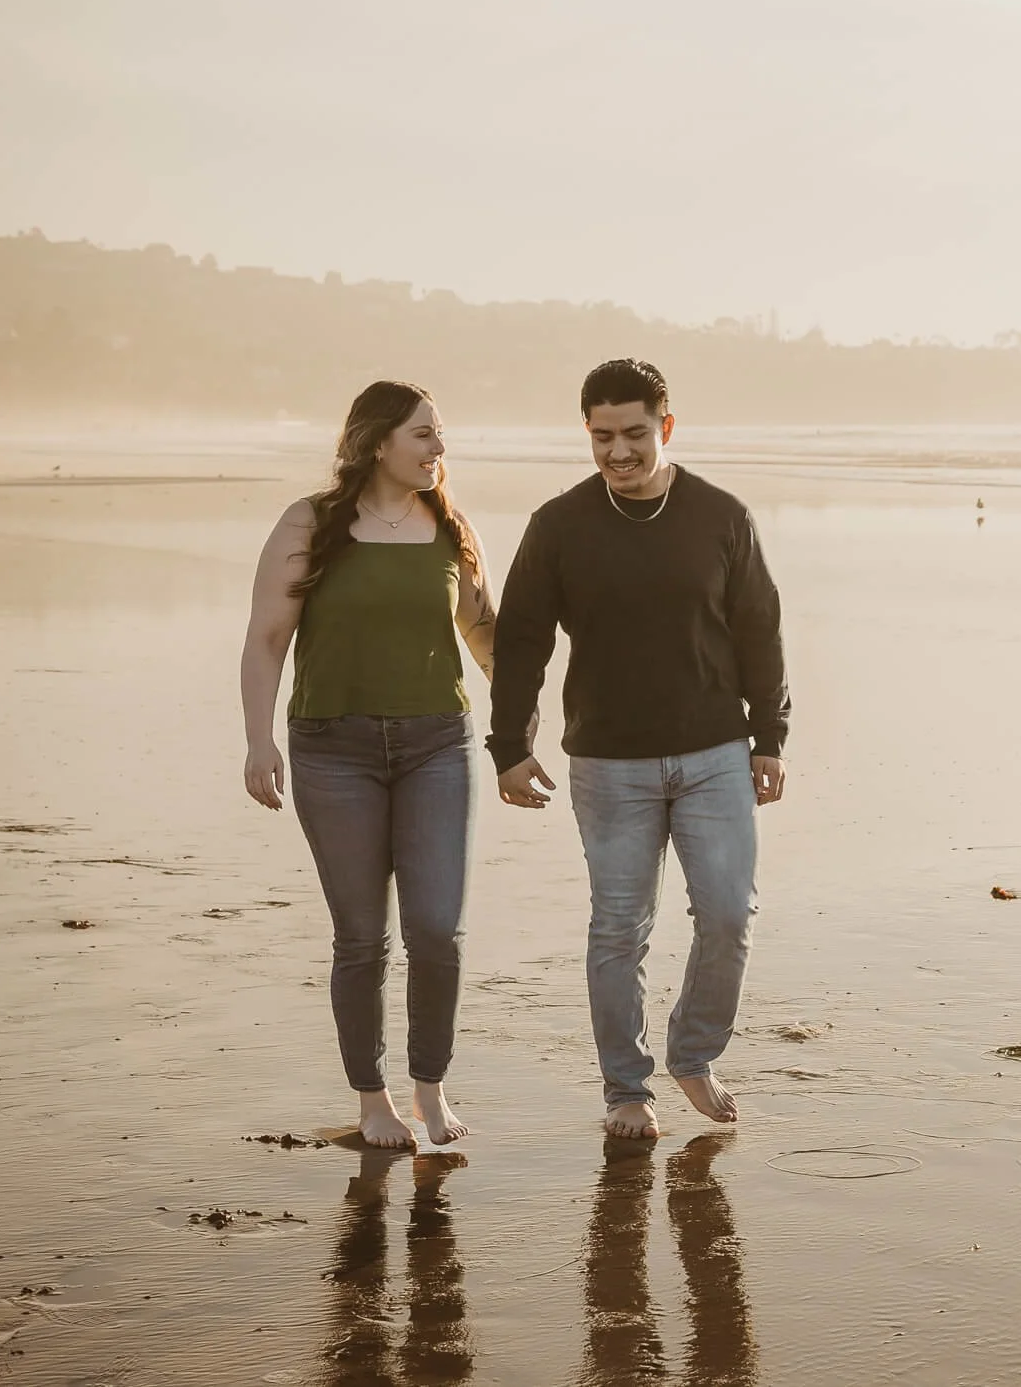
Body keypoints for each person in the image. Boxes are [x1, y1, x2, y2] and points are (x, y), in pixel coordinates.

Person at [488, 358, 789, 1139]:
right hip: (609, 761)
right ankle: (627, 1087)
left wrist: (771, 737)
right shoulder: (560, 525)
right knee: (619, 925)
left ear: (667, 426)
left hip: (715, 751)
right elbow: (521, 639)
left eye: (633, 434)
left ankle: (693, 1053)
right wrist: (509, 746)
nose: (617, 452)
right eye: (600, 437)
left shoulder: (721, 515)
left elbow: (760, 630)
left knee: (727, 913)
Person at [240, 381, 498, 1150]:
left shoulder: (451, 526)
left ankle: (431, 1086)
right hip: (333, 747)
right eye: (424, 435)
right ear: (379, 440)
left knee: (436, 931)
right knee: (361, 937)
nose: (438, 450)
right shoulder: (311, 522)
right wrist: (260, 740)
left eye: (440, 435)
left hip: (436, 745)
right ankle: (373, 1100)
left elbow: (489, 640)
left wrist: (524, 735)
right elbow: (265, 640)